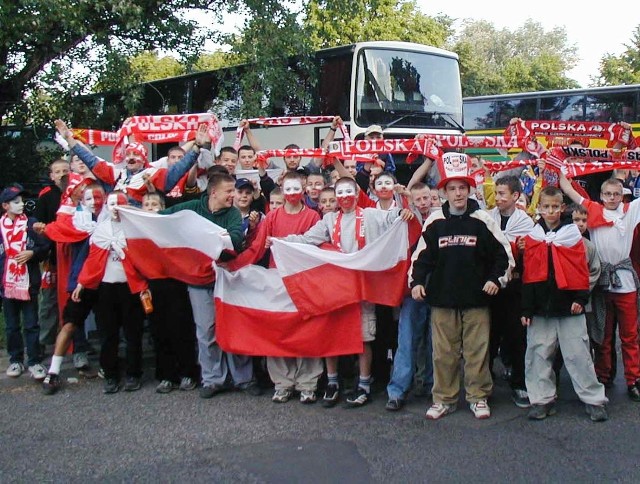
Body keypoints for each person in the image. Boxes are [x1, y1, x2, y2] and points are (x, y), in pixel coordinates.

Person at [282, 176, 415, 408]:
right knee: (331, 332)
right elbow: (307, 240)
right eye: (340, 194)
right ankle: (332, 383)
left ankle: (364, 384)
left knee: (364, 337)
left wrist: (405, 208)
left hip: (364, 287)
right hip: (336, 289)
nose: (344, 198)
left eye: (348, 193)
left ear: (356, 194)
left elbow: (394, 217)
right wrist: (280, 241)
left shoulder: (371, 214)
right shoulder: (328, 220)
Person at [409, 153, 514, 420]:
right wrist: (417, 282)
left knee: (477, 351)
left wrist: (495, 279)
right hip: (442, 299)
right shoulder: (434, 222)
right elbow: (421, 257)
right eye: (452, 188)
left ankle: (478, 397)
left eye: (462, 188)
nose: (457, 194)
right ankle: (443, 398)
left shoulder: (482, 219)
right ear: (443, 192)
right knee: (443, 354)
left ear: (469, 189)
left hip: (476, 299)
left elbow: (504, 255)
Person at [160, 173, 260, 398]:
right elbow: (161, 218)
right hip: (198, 280)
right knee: (206, 330)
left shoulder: (233, 213)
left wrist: (214, 240)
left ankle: (243, 378)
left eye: (234, 191)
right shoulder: (192, 208)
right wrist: (131, 213)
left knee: (234, 327)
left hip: (227, 278)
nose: (233, 195)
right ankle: (213, 379)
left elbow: (235, 239)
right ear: (213, 192)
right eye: (229, 191)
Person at [227, 172, 323, 403]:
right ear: (281, 187)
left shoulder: (313, 217)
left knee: (306, 331)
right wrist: (232, 266)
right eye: (287, 189)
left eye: (296, 189)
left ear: (303, 189)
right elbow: (257, 247)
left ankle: (307, 383)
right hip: (275, 279)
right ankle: (282, 382)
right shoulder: (271, 217)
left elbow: (317, 247)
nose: (291, 194)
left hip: (302, 280)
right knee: (278, 330)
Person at [520, 186, 608, 421]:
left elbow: (580, 270)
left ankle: (593, 399)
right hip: (540, 308)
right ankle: (541, 399)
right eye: (546, 207)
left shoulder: (572, 236)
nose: (550, 211)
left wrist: (580, 298)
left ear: (562, 208)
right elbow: (529, 274)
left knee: (578, 355)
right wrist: (526, 308)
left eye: (554, 207)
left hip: (569, 307)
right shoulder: (534, 237)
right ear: (539, 208)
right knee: (538, 354)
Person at [559, 172, 640, 401]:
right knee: (602, 335)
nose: (612, 198)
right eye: (608, 194)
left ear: (622, 195)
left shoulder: (630, 211)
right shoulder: (593, 209)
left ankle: (634, 379)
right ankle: (603, 376)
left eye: (616, 194)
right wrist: (559, 167)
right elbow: (569, 189)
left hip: (625, 282)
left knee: (630, 335)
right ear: (602, 195)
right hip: (603, 283)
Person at [71, 191, 148, 394]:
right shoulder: (101, 230)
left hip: (130, 287)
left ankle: (134, 374)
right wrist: (81, 283)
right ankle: (111, 374)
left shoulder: (134, 230)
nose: (115, 207)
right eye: (111, 203)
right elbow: (93, 261)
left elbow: (143, 259)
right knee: (108, 334)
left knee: (133, 333)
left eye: (119, 203)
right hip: (106, 289)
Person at [39, 183, 106, 394]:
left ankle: (108, 366)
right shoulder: (77, 223)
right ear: (82, 201)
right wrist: (42, 228)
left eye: (98, 197)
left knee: (108, 325)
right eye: (89, 198)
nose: (94, 202)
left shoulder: (113, 218)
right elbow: (56, 229)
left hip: (108, 281)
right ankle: (53, 371)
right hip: (80, 282)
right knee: (69, 324)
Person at [54, 119, 205, 206]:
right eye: (129, 154)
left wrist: (196, 147)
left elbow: (179, 168)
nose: (131, 157)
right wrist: (70, 139)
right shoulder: (116, 174)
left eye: (136, 154)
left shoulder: (152, 174)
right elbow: (90, 159)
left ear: (144, 159)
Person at [141, 192, 199, 394]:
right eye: (146, 204)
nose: (150, 207)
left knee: (181, 329)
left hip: (176, 283)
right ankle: (166, 375)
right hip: (152, 285)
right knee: (159, 331)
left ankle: (188, 373)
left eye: (154, 203)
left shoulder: (173, 228)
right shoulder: (138, 231)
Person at [486, 175, 534, 408]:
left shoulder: (525, 222)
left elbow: (527, 256)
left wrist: (518, 250)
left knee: (517, 336)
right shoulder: (488, 218)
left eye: (502, 194)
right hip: (492, 286)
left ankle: (519, 383)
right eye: (496, 193)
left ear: (515, 196)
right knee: (489, 335)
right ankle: (484, 382)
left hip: (514, 287)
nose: (498, 198)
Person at [386, 182, 434, 411]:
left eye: (427, 198)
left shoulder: (443, 219)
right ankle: (397, 390)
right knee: (406, 341)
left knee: (436, 344)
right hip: (411, 290)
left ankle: (434, 387)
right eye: (419, 200)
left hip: (438, 291)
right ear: (412, 202)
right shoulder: (406, 220)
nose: (424, 203)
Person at [1, 185, 51, 380]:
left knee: (31, 323)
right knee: (12, 325)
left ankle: (35, 361)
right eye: (15, 202)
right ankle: (15, 359)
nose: (21, 205)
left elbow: (45, 246)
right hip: (7, 283)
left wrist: (33, 253)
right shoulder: (0, 227)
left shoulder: (31, 224)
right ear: (5, 205)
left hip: (28, 282)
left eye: (21, 201)